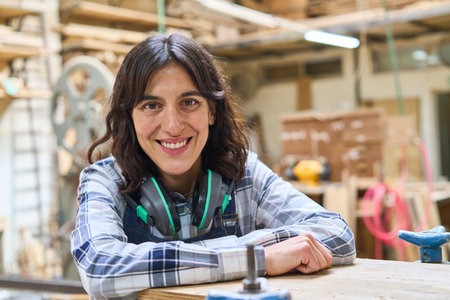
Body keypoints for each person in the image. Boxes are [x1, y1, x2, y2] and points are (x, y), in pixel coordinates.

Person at [70, 33, 356, 298]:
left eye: (189, 102)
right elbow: (99, 265)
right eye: (151, 106)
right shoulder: (104, 181)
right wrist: (257, 258)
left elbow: (337, 235)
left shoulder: (244, 174)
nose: (172, 125)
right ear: (129, 116)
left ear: (212, 111)